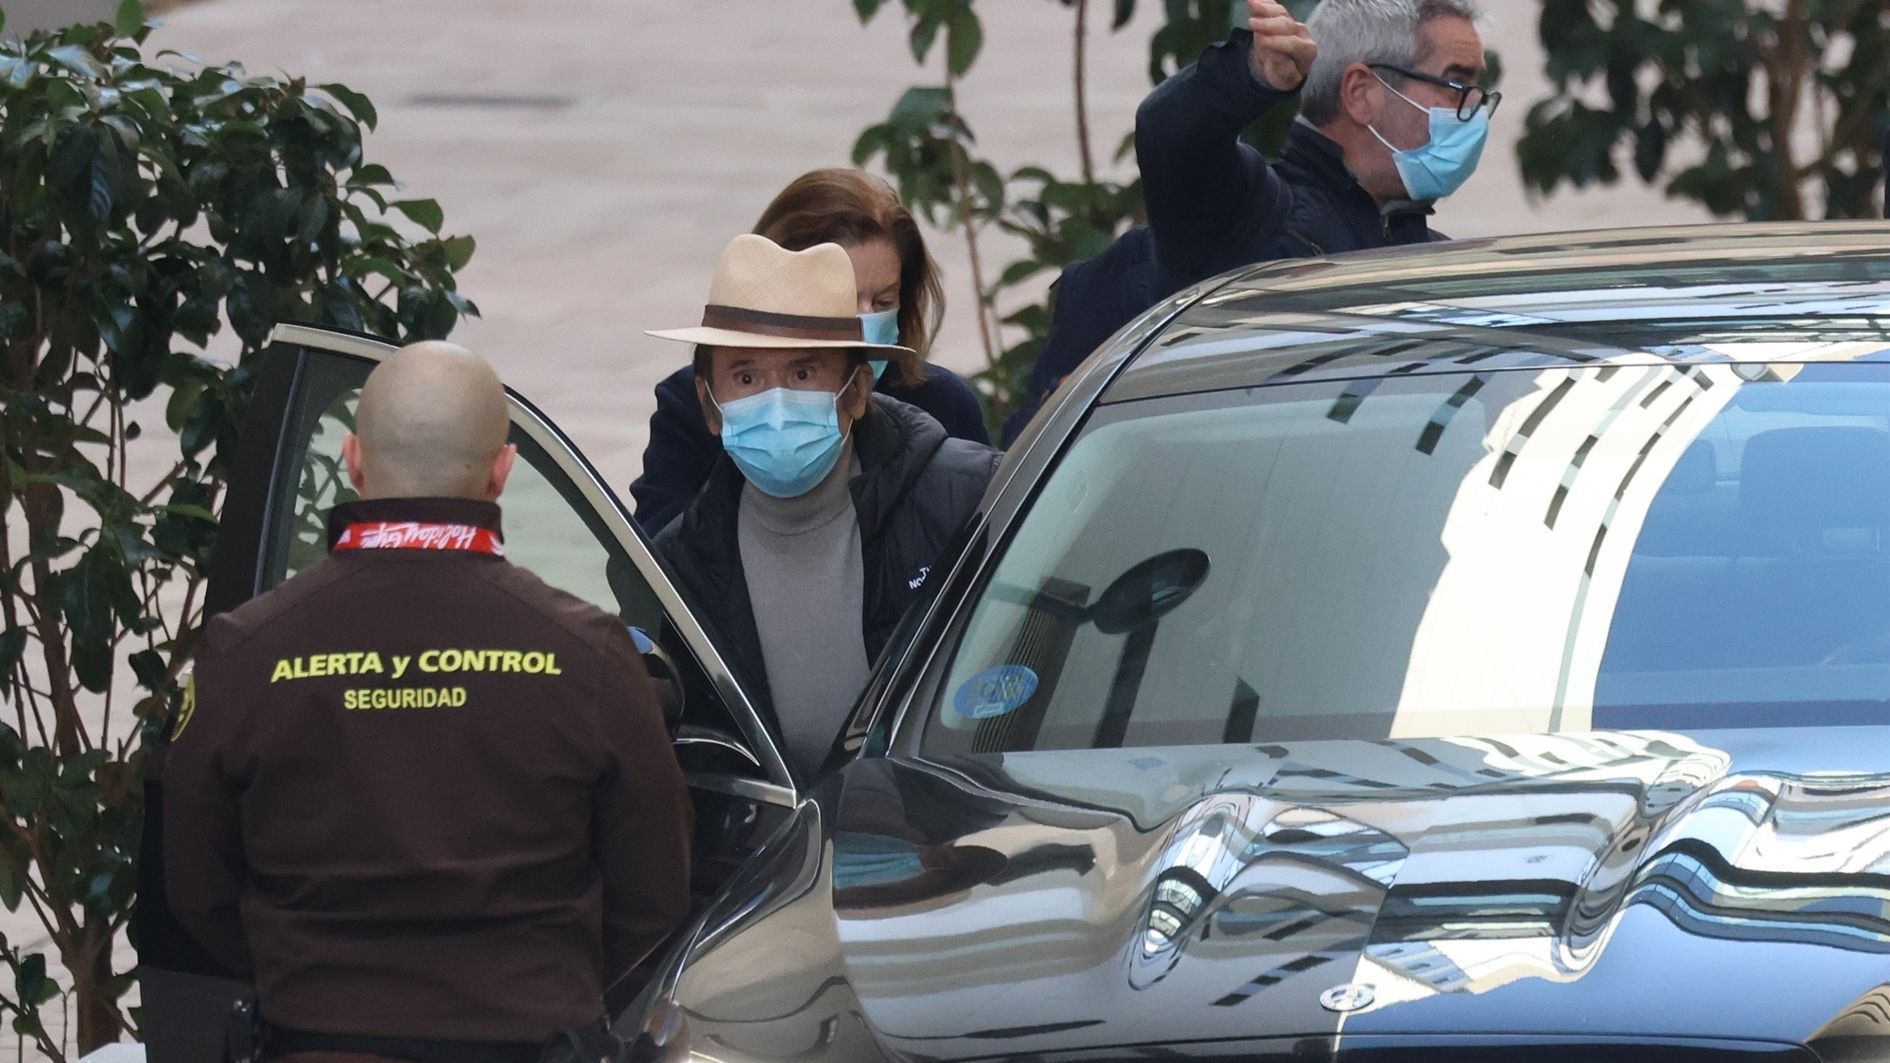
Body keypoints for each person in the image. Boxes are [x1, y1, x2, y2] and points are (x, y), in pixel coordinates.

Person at [162, 342, 691, 1061]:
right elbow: (655, 888)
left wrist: (302, 978)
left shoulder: (244, 651)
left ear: (352, 459)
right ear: (502, 470)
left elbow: (196, 885)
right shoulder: (590, 656)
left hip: (315, 1041)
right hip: (531, 1040)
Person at [1004, 0, 1496, 443]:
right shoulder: (1251, 215)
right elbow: (1170, 135)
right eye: (1457, 83)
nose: (1475, 110)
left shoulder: (1434, 264)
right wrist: (1250, 74)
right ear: (1362, 92)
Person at [649, 235, 1000, 779]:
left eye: (803, 374)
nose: (778, 402)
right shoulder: (684, 566)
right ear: (709, 406)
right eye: (746, 378)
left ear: (857, 391)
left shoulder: (969, 501)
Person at [632, 168, 990, 534]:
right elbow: (653, 561)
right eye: (845, 298)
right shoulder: (695, 405)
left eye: (882, 300)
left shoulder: (943, 404)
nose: (864, 319)